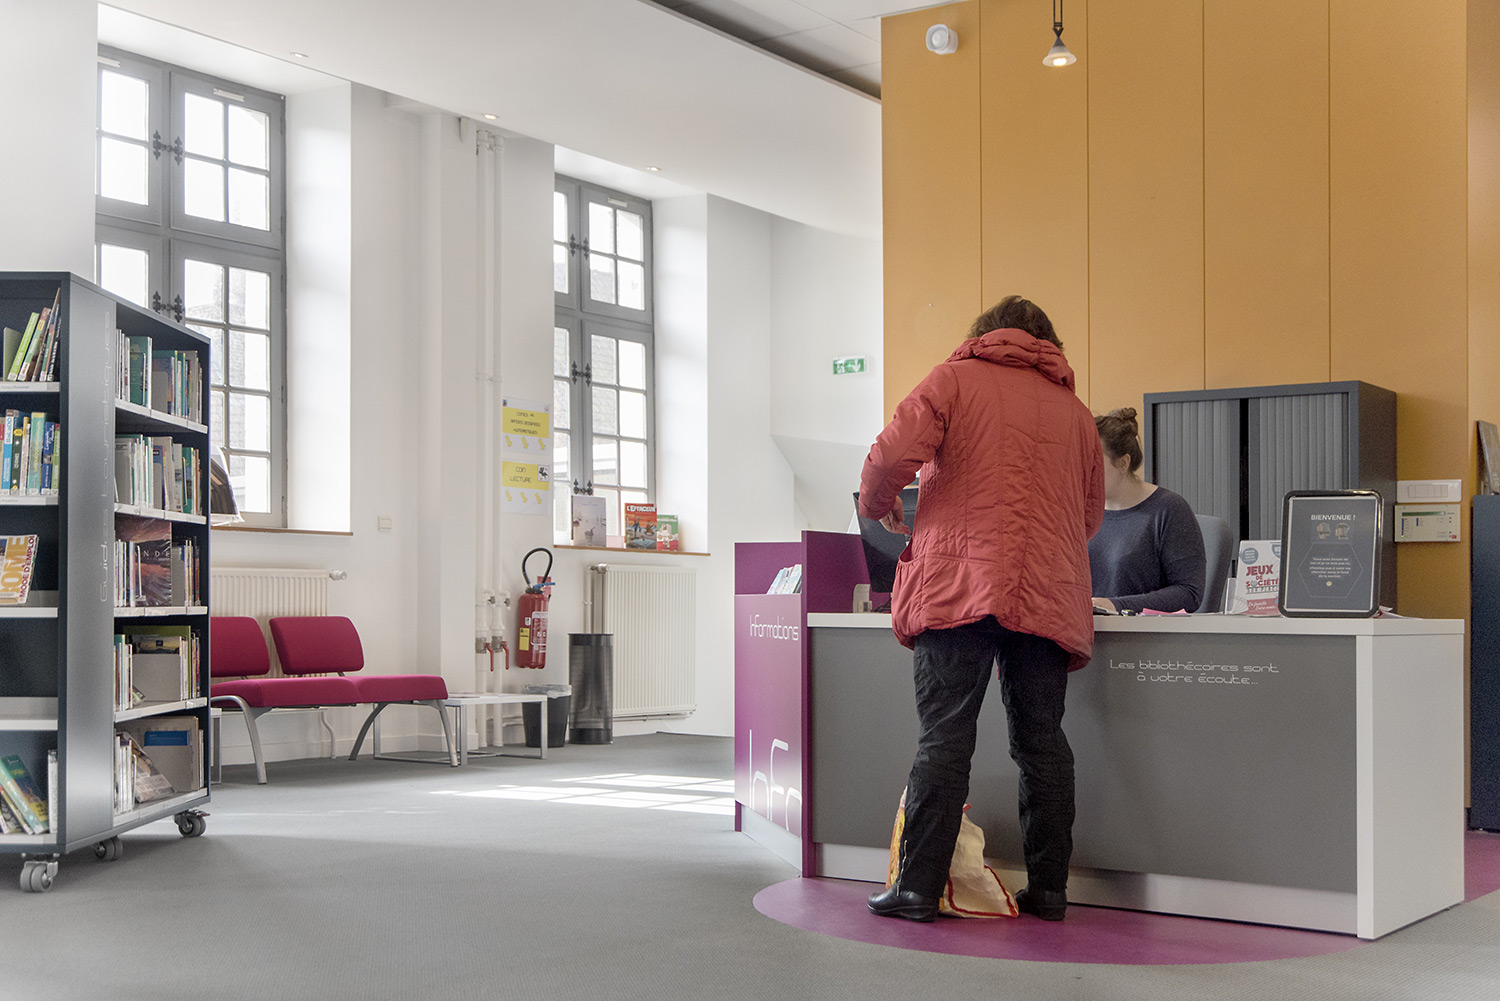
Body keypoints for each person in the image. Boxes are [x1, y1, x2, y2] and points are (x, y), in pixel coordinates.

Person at [858, 295, 1104, 923]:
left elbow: (888, 458)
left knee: (945, 736)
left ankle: (917, 889)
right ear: (1047, 344)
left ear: (985, 334)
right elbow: (1089, 517)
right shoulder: (1077, 415)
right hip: (1046, 590)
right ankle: (1049, 892)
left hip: (958, 582)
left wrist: (878, 506)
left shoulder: (954, 380)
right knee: (1042, 743)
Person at [1088, 408, 1206, 615]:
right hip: (1084, 629)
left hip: (1139, 631)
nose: (1084, 472)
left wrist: (1115, 605)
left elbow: (1188, 593)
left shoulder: (1169, 509)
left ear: (1123, 463)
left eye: (1093, 463)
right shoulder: (1079, 512)